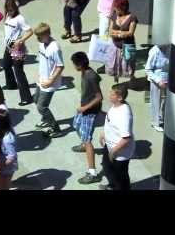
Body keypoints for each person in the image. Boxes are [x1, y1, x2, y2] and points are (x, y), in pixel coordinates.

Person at [71, 52, 103, 185]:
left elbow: (99, 97)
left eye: (74, 64)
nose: (73, 66)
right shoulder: (85, 72)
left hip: (89, 112)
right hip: (84, 108)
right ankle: (84, 144)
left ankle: (92, 172)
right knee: (76, 125)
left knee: (87, 138)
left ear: (79, 65)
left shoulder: (91, 76)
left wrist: (85, 108)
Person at [99, 85, 135, 190]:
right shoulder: (115, 105)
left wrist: (113, 151)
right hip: (110, 146)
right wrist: (103, 133)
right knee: (107, 167)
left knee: (121, 176)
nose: (109, 95)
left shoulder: (124, 114)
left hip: (120, 151)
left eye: (112, 94)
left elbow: (126, 138)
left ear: (120, 98)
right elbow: (110, 121)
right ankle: (112, 186)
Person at [33, 23, 64, 138]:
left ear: (46, 34)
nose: (38, 39)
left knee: (42, 107)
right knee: (36, 99)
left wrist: (50, 81)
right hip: (41, 79)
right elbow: (42, 60)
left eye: (39, 36)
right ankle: (46, 118)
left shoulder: (55, 48)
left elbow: (60, 66)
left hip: (49, 83)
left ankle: (56, 129)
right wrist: (39, 74)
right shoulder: (42, 44)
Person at [3, 0, 34, 106]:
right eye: (8, 10)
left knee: (19, 72)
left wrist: (20, 40)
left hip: (17, 48)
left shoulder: (20, 18)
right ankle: (11, 85)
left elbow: (30, 31)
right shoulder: (7, 16)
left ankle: (26, 97)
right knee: (6, 65)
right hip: (8, 46)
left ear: (15, 8)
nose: (10, 12)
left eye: (12, 10)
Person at [107, 0, 138, 82]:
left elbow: (130, 33)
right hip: (115, 45)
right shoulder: (114, 16)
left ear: (123, 7)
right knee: (114, 63)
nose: (115, 10)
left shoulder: (132, 17)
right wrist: (122, 33)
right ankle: (116, 78)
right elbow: (110, 31)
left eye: (117, 8)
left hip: (127, 46)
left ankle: (131, 78)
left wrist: (116, 33)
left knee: (128, 65)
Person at [145, 44, 169, 132]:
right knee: (156, 102)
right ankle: (155, 122)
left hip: (167, 79)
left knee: (165, 101)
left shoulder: (170, 48)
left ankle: (163, 119)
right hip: (156, 80)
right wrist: (158, 80)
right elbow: (148, 69)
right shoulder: (154, 51)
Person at [0, 109, 18, 190]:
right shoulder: (1, 131)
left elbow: (12, 157)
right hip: (1, 162)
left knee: (4, 186)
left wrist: (1, 166)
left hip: (7, 166)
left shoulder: (8, 139)